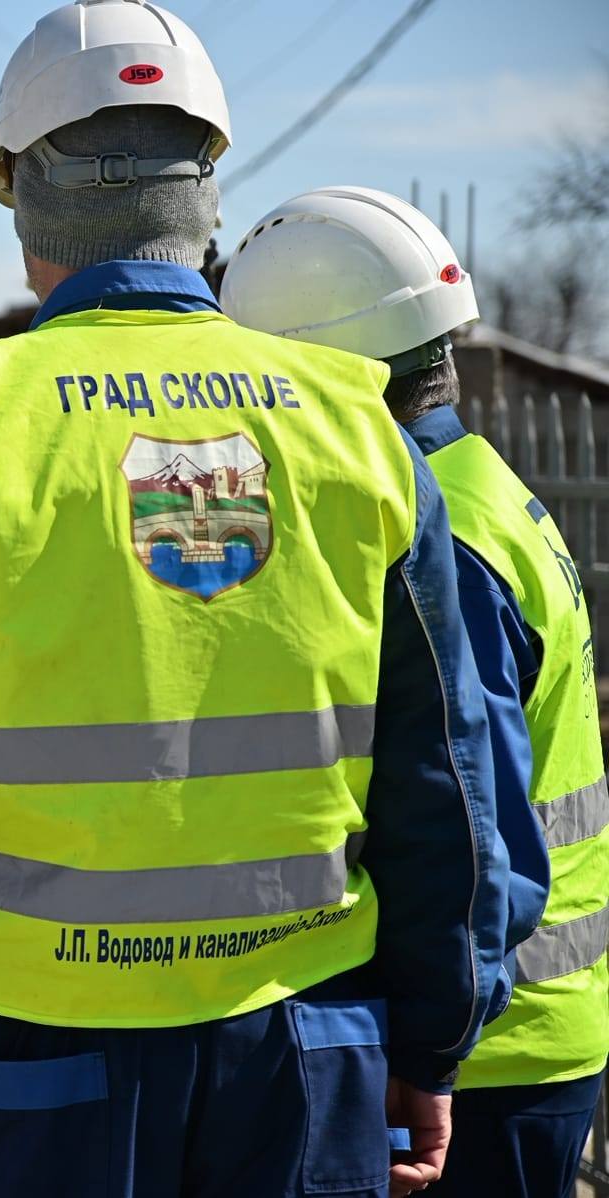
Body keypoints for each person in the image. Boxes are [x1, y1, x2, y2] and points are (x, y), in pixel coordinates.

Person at [0, 3, 519, 1195]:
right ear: (208, 188)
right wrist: (434, 1036)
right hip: (306, 1051)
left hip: (39, 1061)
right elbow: (449, 774)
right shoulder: (358, 424)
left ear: (19, 192)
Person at [222, 185, 601, 1198]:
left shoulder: (444, 539)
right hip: (514, 1031)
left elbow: (467, 817)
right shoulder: (479, 488)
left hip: (483, 1052)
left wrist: (429, 1033)